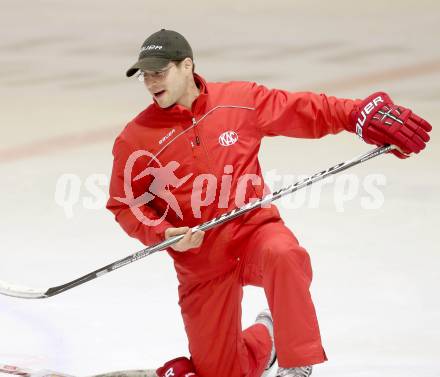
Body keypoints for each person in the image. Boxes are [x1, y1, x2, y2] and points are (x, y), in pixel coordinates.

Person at [106, 29, 431, 377]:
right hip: (199, 259)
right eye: (145, 75)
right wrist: (164, 231)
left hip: (252, 232)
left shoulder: (239, 100)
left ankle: (295, 365)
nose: (152, 82)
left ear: (187, 66)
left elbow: (304, 110)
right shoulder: (136, 137)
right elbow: (125, 204)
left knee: (284, 254)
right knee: (221, 372)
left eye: (159, 72)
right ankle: (268, 340)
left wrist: (356, 115)